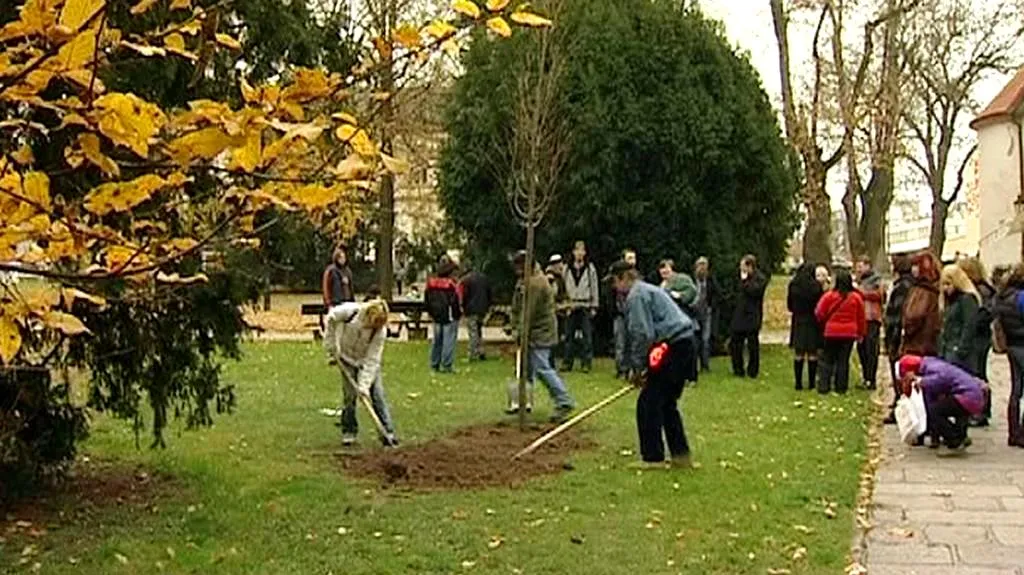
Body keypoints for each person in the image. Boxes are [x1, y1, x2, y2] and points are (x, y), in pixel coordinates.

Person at [609, 260, 697, 470]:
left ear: (624, 278)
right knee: (667, 404)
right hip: (684, 344)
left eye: (614, 281)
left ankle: (652, 457)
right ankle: (680, 455)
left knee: (648, 403)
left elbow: (642, 334)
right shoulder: (647, 290)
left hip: (674, 346)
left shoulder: (637, 295)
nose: (614, 287)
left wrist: (639, 369)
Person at [511, 251, 575, 422]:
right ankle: (522, 402)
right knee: (526, 369)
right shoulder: (528, 280)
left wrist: (520, 332)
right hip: (537, 331)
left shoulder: (535, 284)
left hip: (541, 333)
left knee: (541, 367)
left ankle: (564, 401)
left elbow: (528, 313)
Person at [324, 300, 398, 447]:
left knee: (377, 394)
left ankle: (387, 431)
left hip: (365, 360)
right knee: (349, 396)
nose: (373, 328)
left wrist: (363, 387)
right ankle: (349, 431)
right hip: (345, 358)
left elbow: (372, 360)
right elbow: (331, 319)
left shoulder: (379, 332)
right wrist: (331, 346)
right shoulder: (349, 312)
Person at [898, 355, 986, 455]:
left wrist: (922, 381)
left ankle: (955, 440)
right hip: (974, 396)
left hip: (967, 397)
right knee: (948, 407)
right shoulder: (931, 363)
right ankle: (961, 435)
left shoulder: (932, 368)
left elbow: (941, 379)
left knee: (935, 411)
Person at [959, 257, 996, 427]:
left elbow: (985, 314)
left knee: (978, 372)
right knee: (976, 373)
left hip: (979, 338)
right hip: (978, 337)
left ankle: (982, 410)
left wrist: (972, 322)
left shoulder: (982, 291)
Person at [815, 270, 866, 394]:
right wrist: (861, 333)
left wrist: (824, 322)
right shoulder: (856, 298)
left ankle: (824, 386)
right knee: (843, 361)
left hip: (831, 331)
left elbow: (819, 312)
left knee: (827, 359)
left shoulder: (829, 296)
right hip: (849, 333)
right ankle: (841, 387)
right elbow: (861, 317)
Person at [991, 263, 1024, 447]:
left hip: (1011, 344)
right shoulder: (1021, 297)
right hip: (1022, 343)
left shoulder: (1003, 296)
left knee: (1016, 390)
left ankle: (1013, 432)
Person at [883, 254, 914, 425]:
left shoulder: (902, 287)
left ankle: (900, 409)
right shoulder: (907, 285)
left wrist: (891, 337)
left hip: (897, 336)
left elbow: (896, 314)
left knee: (899, 373)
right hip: (898, 335)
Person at [562, 240, 600, 373]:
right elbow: (562, 287)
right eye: (577, 250)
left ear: (585, 253)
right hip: (570, 304)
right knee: (568, 336)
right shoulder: (566, 268)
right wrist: (564, 305)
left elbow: (594, 287)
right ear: (573, 252)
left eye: (582, 251)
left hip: (585, 304)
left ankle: (586, 363)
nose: (579, 253)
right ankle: (567, 362)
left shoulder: (590, 268)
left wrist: (594, 306)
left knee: (587, 337)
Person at [658, 259, 699, 383]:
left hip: (684, 316)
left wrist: (679, 295)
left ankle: (691, 377)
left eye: (666, 268)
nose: (664, 271)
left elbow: (692, 291)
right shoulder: (662, 285)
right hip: (669, 321)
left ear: (672, 268)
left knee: (689, 347)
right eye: (662, 269)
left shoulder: (681, 279)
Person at [938, 264, 983, 377]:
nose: (945, 288)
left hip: (960, 354)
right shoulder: (949, 301)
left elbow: (969, 325)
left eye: (948, 284)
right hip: (948, 350)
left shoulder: (967, 299)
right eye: (943, 284)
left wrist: (961, 349)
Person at [730, 254, 768, 379]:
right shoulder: (739, 278)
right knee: (736, 343)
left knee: (753, 345)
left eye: (743, 266)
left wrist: (745, 281)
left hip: (752, 316)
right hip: (739, 315)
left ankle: (753, 370)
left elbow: (755, 292)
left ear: (750, 266)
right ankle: (738, 369)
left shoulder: (760, 279)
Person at [787, 263, 824, 391]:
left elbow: (790, 305)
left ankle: (798, 382)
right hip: (813, 321)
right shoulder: (816, 287)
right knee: (812, 352)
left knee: (799, 352)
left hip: (798, 320)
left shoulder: (793, 285)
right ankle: (812, 383)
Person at [900, 251, 942, 358]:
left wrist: (906, 327)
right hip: (930, 344)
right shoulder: (935, 288)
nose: (913, 269)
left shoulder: (921, 291)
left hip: (917, 344)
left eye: (916, 265)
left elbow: (914, 315)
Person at [425, 256, 461, 373]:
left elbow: (427, 300)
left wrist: (430, 312)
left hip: (436, 315)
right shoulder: (451, 285)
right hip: (449, 316)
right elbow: (455, 301)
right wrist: (457, 314)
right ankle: (447, 364)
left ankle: (434, 363)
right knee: (448, 341)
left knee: (437, 341)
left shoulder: (431, 283)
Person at [854, 256, 886, 390]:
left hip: (872, 318)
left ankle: (871, 378)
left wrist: (861, 293)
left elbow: (881, 295)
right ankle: (866, 377)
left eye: (860, 266)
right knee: (861, 349)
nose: (858, 270)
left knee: (871, 349)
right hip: (859, 318)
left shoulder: (876, 280)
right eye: (857, 267)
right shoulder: (858, 280)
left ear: (868, 266)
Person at [613, 249, 639, 378]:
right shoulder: (616, 279)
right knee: (620, 343)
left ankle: (635, 368)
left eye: (633, 258)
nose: (632, 261)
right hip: (620, 315)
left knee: (633, 342)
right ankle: (621, 369)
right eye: (629, 258)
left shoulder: (639, 281)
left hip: (633, 315)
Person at [459, 264, 492, 362]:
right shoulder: (484, 278)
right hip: (483, 308)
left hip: (471, 308)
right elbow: (489, 293)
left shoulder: (466, 280)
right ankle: (481, 351)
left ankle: (472, 354)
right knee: (478, 331)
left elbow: (464, 295)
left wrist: (463, 307)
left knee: (473, 332)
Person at [693, 257, 718, 372]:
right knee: (695, 339)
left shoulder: (710, 280)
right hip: (694, 312)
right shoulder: (692, 280)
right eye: (700, 265)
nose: (702, 267)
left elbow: (716, 293)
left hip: (706, 312)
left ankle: (705, 365)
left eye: (704, 265)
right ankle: (694, 365)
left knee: (705, 339)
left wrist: (711, 306)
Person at [546, 254, 569, 364]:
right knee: (551, 340)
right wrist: (560, 305)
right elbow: (551, 296)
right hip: (552, 313)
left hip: (559, 313)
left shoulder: (560, 278)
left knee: (556, 339)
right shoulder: (550, 278)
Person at [321, 243, 355, 308]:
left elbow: (351, 287)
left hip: (347, 302)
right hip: (335, 303)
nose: (343, 259)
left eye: (344, 257)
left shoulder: (347, 271)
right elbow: (326, 287)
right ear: (336, 258)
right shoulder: (331, 270)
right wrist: (328, 303)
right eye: (340, 258)